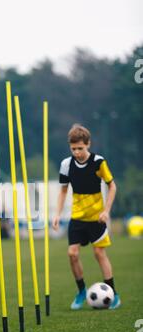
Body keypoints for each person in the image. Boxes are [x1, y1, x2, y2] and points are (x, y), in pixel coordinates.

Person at [52, 124, 121, 310]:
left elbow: (112, 186)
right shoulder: (66, 164)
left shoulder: (98, 162)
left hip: (96, 218)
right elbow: (63, 191)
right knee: (72, 253)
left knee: (99, 253)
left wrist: (106, 210)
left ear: (88, 144)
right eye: (73, 149)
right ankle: (81, 291)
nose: (77, 153)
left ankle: (113, 293)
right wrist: (57, 215)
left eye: (80, 148)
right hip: (77, 218)